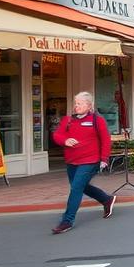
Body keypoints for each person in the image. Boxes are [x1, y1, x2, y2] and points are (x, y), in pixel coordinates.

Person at [50, 91, 116, 234]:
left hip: (90, 160)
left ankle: (67, 221)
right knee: (81, 186)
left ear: (89, 105)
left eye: (80, 103)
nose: (76, 106)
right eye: (75, 103)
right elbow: (57, 135)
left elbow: (106, 140)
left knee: (76, 189)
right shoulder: (68, 120)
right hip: (72, 161)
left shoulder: (97, 121)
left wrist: (104, 159)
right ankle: (106, 199)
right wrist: (65, 140)